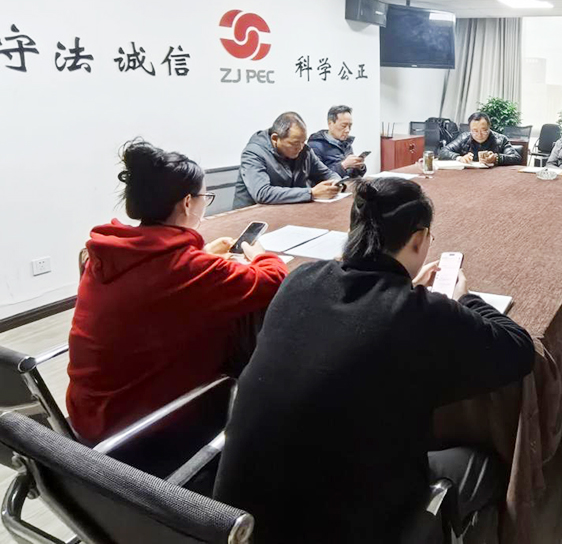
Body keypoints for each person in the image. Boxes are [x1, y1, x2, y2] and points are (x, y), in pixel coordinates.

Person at [215, 177, 536, 543]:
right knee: (486, 463)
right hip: (345, 526)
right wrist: (464, 299)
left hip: (238, 524)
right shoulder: (423, 313)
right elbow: (519, 350)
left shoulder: (299, 279)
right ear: (419, 239)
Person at [67, 140, 288, 444]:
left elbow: (156, 279)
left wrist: (202, 255)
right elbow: (273, 278)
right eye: (204, 198)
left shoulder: (107, 253)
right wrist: (259, 253)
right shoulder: (186, 268)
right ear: (187, 203)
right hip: (139, 430)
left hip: (88, 415)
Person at [232, 111, 343, 209]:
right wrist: (311, 193)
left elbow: (328, 174)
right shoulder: (253, 153)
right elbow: (262, 193)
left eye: (303, 142)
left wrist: (336, 183)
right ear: (275, 139)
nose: (300, 147)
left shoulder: (305, 151)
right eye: (295, 143)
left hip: (288, 211)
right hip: (251, 217)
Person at [437, 111, 522, 166]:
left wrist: (496, 158)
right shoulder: (464, 138)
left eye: (484, 130)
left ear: (489, 127)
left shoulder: (501, 139)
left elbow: (516, 158)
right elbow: (443, 152)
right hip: (469, 177)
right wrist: (460, 158)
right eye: (475, 131)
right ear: (470, 129)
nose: (479, 135)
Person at [307, 104, 368, 179]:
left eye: (350, 126)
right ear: (330, 124)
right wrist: (343, 165)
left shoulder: (346, 143)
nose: (347, 130)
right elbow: (317, 177)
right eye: (343, 126)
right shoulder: (315, 146)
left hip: (349, 184)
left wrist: (359, 166)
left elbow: (353, 175)